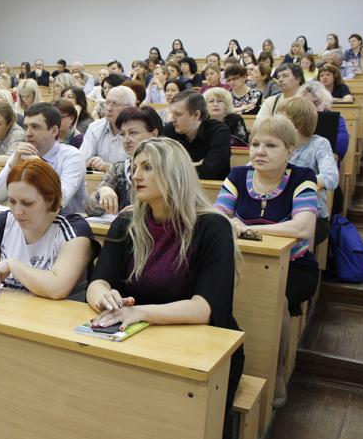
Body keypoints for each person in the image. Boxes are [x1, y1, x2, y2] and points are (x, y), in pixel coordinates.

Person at [89, 136, 244, 411]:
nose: (135, 176)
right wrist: (106, 299)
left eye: (147, 167)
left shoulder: (213, 227)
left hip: (199, 347)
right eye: (135, 168)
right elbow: (97, 282)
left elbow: (204, 309)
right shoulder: (126, 223)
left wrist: (138, 312)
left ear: (175, 173)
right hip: (136, 336)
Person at [214, 116, 319, 407]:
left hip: (295, 266)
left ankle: (275, 371)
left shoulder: (302, 177)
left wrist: (249, 229)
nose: (260, 151)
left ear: (289, 151)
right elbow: (217, 216)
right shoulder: (238, 175)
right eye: (255, 144)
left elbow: (303, 227)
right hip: (242, 263)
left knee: (276, 300)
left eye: (271, 145)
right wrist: (230, 222)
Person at [0, 159, 99, 301]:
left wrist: (12, 265)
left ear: (51, 200)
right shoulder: (4, 222)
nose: (17, 211)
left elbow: (57, 288)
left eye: (27, 203)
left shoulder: (75, 232)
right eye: (12, 201)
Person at [0, 103, 87, 215]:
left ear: (54, 131)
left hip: (65, 221)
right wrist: (12, 165)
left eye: (35, 127)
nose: (28, 133)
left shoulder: (72, 156)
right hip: (28, 219)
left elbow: (59, 201)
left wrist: (39, 165)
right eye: (26, 127)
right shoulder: (21, 154)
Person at [276, 97, 338, 245]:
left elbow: (331, 178)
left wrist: (292, 180)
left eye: (282, 118)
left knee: (281, 243)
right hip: (276, 214)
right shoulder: (275, 143)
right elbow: (249, 171)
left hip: (312, 218)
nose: (276, 122)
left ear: (299, 124)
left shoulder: (319, 144)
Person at [84, 106, 162, 217]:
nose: (126, 139)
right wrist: (102, 191)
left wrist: (148, 211)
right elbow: (89, 209)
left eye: (133, 133)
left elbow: (182, 203)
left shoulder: (169, 165)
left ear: (154, 134)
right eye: (123, 134)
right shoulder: (120, 169)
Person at [162, 90, 231, 180]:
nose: (173, 119)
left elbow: (208, 172)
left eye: (178, 114)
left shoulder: (219, 132)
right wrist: (195, 165)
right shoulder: (170, 129)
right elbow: (158, 168)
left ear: (196, 115)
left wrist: (175, 168)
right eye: (172, 113)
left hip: (212, 188)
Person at [80, 86, 136, 171]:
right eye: (107, 102)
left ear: (129, 108)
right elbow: (83, 161)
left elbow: (138, 168)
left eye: (115, 104)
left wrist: (109, 167)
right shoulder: (95, 128)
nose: (108, 108)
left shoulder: (138, 130)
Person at [297, 80, 349, 162]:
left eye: (316, 104)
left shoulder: (336, 119)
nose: (311, 108)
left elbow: (340, 146)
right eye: (307, 103)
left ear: (325, 104)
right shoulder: (295, 119)